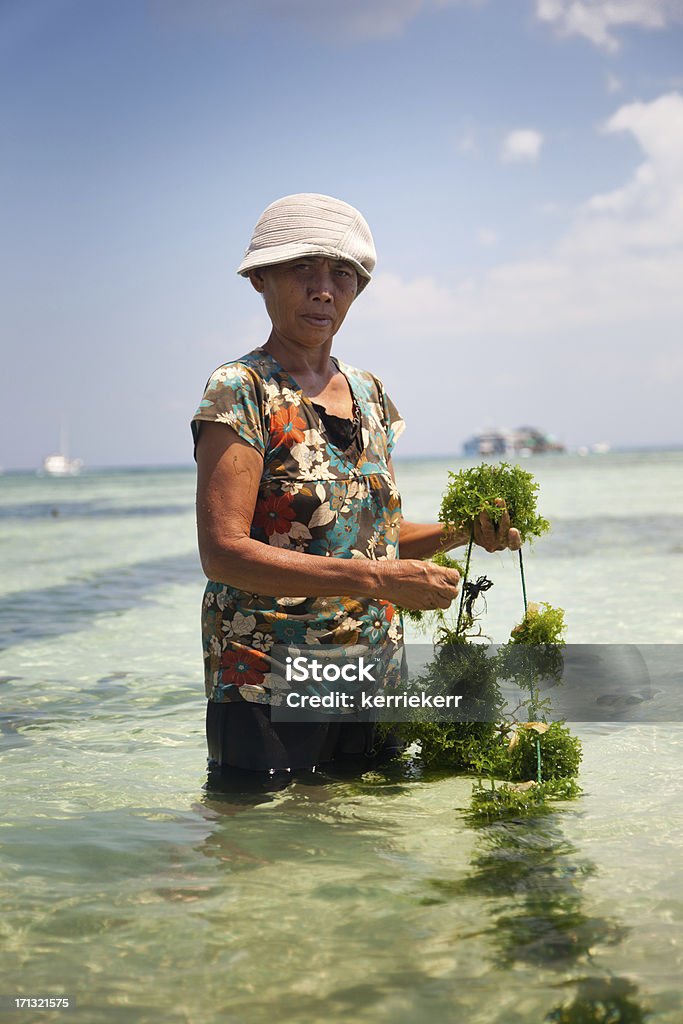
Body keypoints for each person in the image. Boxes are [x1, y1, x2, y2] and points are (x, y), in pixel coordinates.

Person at [192, 193, 520, 778]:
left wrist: (463, 532)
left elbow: (372, 539)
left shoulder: (370, 393)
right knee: (262, 859)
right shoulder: (240, 390)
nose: (324, 290)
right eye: (303, 270)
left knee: (369, 855)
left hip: (374, 680)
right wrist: (380, 579)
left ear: (358, 289)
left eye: (342, 274)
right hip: (268, 679)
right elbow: (223, 554)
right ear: (260, 280)